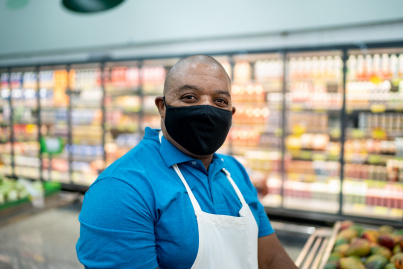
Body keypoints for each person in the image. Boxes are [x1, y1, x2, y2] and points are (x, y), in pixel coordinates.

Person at [76, 55, 297, 269]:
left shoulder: (235, 172)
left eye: (220, 101)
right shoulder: (120, 189)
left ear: (231, 113)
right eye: (189, 97)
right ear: (162, 107)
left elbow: (271, 260)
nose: (207, 109)